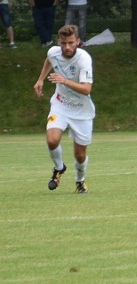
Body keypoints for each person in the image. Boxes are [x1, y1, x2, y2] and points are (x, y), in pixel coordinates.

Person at [33, 25, 94, 194]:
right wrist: (41, 80)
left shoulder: (84, 59)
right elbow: (49, 60)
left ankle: (80, 181)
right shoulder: (54, 52)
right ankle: (59, 168)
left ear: (78, 42)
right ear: (59, 42)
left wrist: (65, 81)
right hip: (60, 105)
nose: (67, 47)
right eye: (64, 43)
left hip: (81, 110)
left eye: (71, 43)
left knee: (80, 155)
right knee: (52, 140)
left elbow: (87, 89)